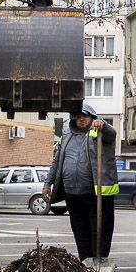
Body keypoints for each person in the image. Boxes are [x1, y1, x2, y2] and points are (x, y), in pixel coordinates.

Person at [43, 103, 119, 261]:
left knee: (99, 231)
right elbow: (57, 162)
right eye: (78, 116)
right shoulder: (67, 136)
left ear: (93, 117)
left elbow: (112, 134)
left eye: (85, 115)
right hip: (73, 194)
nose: (81, 118)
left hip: (96, 194)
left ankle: (99, 261)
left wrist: (103, 126)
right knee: (80, 231)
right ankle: (85, 262)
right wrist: (47, 184)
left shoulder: (99, 133)